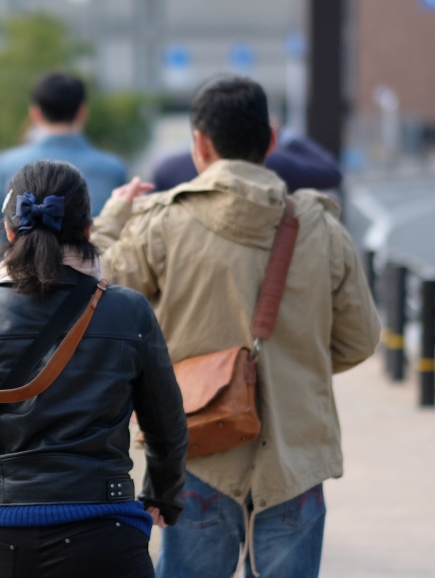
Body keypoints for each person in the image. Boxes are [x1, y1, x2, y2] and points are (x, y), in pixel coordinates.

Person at [91, 76, 381, 578]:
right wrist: (295, 366)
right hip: (294, 456)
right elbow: (360, 339)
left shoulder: (163, 222)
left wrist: (112, 219)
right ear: (269, 141)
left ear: (200, 143)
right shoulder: (322, 229)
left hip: (197, 451)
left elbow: (90, 294)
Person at [0, 159, 188, 578]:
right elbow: (166, 425)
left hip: (6, 529)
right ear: (87, 231)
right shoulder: (128, 310)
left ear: (10, 230)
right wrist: (163, 495)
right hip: (106, 522)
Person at [0, 71, 128, 234]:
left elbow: (0, 230)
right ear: (82, 112)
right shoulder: (112, 169)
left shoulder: (8, 164)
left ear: (35, 114)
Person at [150, 119, 342, 193]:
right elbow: (331, 172)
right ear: (270, 139)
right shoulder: (273, 163)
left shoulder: (169, 169)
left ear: (199, 140)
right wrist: (285, 134)